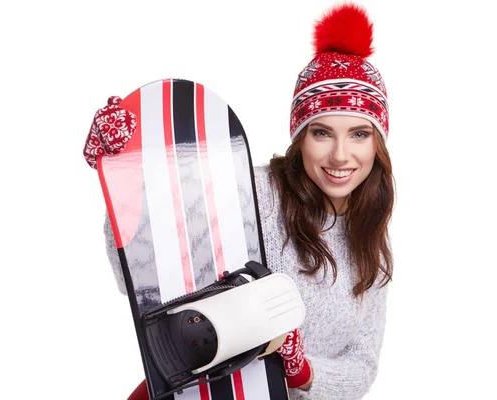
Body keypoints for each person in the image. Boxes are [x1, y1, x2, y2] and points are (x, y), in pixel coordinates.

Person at [102, 3, 394, 399]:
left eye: (359, 134)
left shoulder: (370, 238)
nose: (341, 155)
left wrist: (300, 368)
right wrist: (130, 179)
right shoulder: (251, 193)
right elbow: (141, 277)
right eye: (322, 133)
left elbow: (361, 367)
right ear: (299, 138)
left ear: (378, 142)